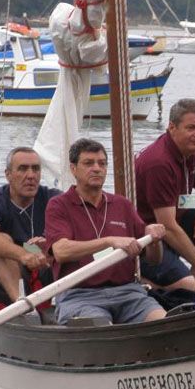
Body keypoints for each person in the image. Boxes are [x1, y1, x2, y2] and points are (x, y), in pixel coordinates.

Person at [44, 138, 167, 325]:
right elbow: (61, 251)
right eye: (88, 163)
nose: (96, 168)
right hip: (79, 295)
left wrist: (154, 239)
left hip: (129, 293)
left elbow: (154, 259)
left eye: (102, 163)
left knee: (162, 323)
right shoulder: (59, 205)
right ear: (73, 169)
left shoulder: (122, 204)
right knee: (101, 329)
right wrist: (109, 241)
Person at [134, 99, 195, 293]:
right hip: (147, 240)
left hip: (173, 222)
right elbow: (168, 227)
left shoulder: (191, 150)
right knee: (187, 287)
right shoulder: (159, 163)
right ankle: (149, 280)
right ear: (172, 127)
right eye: (191, 128)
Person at [0, 146, 60, 313]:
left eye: (35, 169)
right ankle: (22, 307)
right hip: (5, 280)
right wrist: (24, 255)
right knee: (1, 240)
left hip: (46, 271)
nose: (30, 175)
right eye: (23, 169)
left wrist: (48, 244)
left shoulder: (54, 199)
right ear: (8, 175)